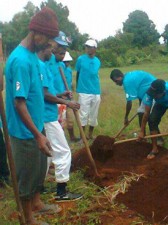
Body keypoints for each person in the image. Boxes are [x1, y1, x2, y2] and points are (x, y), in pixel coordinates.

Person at [5, 7, 61, 224]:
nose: (47, 42)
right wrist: (38, 135)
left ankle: (37, 204)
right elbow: (19, 103)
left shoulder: (31, 57)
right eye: (46, 37)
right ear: (36, 32)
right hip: (25, 131)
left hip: (37, 125)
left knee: (39, 168)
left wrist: (40, 130)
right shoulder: (21, 60)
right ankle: (28, 219)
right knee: (27, 175)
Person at [39, 35, 83, 202]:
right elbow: (43, 94)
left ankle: (39, 186)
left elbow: (48, 92)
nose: (59, 52)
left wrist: (61, 95)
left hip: (47, 113)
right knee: (63, 151)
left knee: (48, 152)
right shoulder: (43, 66)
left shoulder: (48, 65)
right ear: (49, 46)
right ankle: (61, 192)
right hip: (47, 115)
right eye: (56, 48)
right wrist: (67, 102)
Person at [76, 39, 101, 140]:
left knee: (94, 114)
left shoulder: (97, 61)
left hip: (96, 90)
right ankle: (82, 136)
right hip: (84, 91)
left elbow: (95, 75)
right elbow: (78, 72)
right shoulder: (81, 59)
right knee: (83, 114)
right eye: (86, 47)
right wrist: (78, 86)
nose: (87, 49)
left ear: (95, 48)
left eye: (90, 47)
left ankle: (90, 134)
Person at [63, 51, 80, 142]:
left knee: (70, 119)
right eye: (65, 61)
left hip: (69, 97)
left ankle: (72, 137)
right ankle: (62, 139)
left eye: (68, 61)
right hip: (60, 98)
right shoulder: (58, 69)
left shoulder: (69, 70)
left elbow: (69, 83)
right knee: (61, 120)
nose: (67, 63)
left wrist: (71, 92)